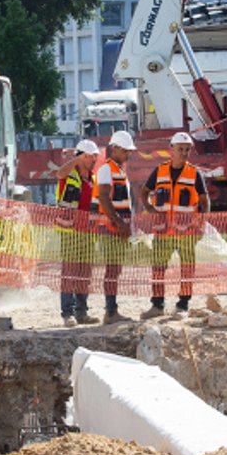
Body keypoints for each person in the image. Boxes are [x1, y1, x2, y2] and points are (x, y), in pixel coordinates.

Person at [139, 132, 210, 319]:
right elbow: (144, 192)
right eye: (180, 149)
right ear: (171, 149)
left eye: (187, 150)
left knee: (187, 268)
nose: (184, 153)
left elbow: (204, 200)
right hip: (163, 231)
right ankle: (157, 305)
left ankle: (183, 305)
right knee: (158, 268)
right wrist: (150, 209)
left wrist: (202, 223)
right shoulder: (159, 171)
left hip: (187, 231)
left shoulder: (194, 173)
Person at [91, 130, 136, 325]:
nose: (129, 154)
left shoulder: (119, 170)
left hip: (118, 227)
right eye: (126, 151)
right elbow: (103, 198)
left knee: (115, 269)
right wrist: (119, 223)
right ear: (115, 148)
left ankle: (112, 310)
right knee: (112, 270)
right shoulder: (106, 170)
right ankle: (110, 312)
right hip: (111, 228)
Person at [55, 139, 100, 327]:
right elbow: (59, 172)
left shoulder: (93, 178)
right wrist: (76, 158)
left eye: (96, 156)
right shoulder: (69, 175)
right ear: (82, 156)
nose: (95, 160)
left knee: (84, 272)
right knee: (69, 272)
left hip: (88, 232)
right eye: (92, 156)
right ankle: (68, 313)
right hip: (69, 231)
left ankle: (82, 312)